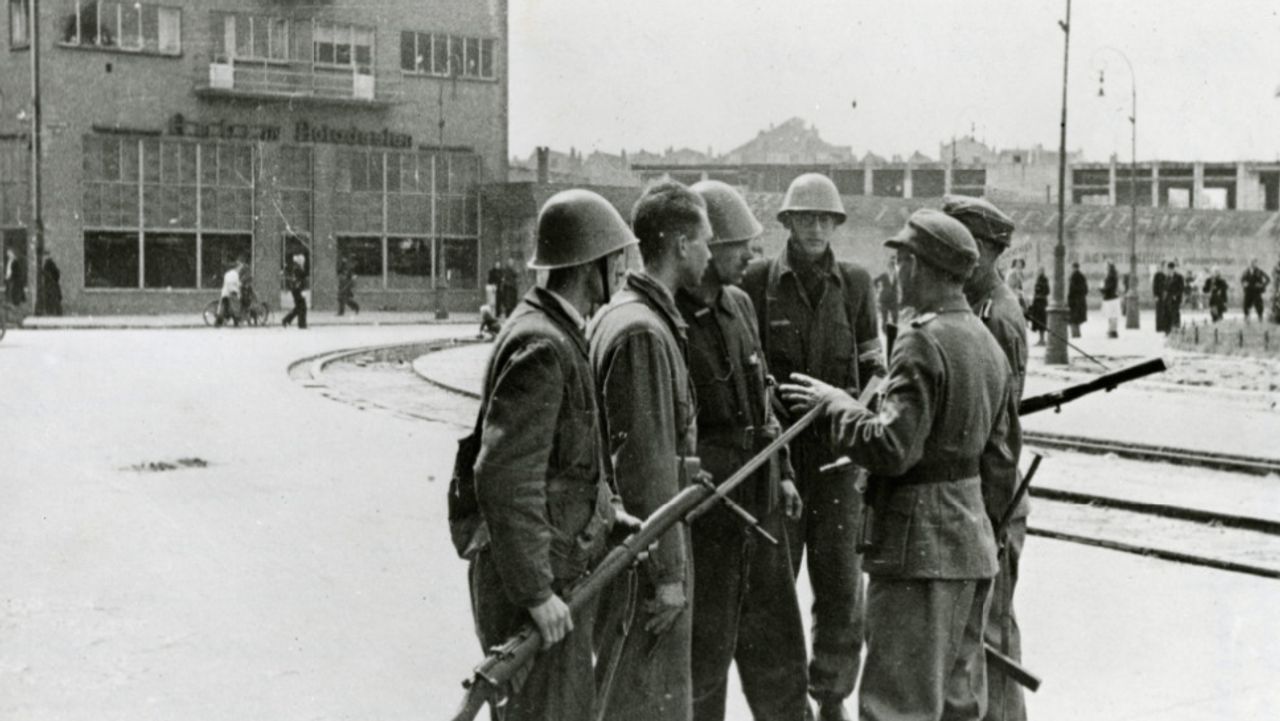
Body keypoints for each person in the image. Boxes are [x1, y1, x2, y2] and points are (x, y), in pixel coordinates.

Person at [780, 208, 1010, 721]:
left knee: (897, 707)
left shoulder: (922, 339)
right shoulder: (985, 341)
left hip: (916, 550)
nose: (896, 272)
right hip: (970, 548)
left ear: (923, 267)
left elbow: (891, 447)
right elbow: (1001, 456)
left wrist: (835, 405)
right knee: (957, 705)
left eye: (902, 260)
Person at [463, 189, 635, 721]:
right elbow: (503, 475)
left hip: (557, 574)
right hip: (539, 588)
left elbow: (568, 468)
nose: (622, 273)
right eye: (617, 262)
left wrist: (609, 518)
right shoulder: (543, 345)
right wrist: (536, 594)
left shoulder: (556, 332)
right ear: (592, 266)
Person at [741, 172, 885, 721]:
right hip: (781, 459)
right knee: (776, 588)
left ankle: (832, 695)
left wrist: (850, 404)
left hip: (839, 458)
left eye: (826, 219)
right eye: (807, 218)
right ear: (788, 223)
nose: (817, 228)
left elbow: (875, 368)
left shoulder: (855, 284)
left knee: (841, 586)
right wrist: (772, 402)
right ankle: (784, 704)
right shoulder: (756, 283)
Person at [681, 180, 808, 721]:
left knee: (780, 658)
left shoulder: (738, 305)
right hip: (710, 520)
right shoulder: (672, 319)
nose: (753, 253)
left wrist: (781, 472)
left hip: (761, 510)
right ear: (707, 246)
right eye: (740, 244)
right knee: (704, 666)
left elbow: (763, 403)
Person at [589, 181, 710, 721]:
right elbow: (647, 468)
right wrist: (669, 576)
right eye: (704, 241)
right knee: (648, 703)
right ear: (681, 245)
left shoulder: (629, 314)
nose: (709, 252)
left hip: (627, 553)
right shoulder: (643, 331)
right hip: (645, 562)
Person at [943, 196, 1028, 721]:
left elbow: (1001, 431)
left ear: (990, 252)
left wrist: (993, 513)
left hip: (993, 496)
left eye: (966, 248)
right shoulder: (976, 307)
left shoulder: (997, 316)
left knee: (992, 636)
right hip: (983, 494)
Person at [281, 253, 309, 329]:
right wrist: (301, 289)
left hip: (297, 290)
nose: (303, 262)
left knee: (299, 308)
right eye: (303, 261)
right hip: (298, 290)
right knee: (302, 307)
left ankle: (286, 320)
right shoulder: (298, 269)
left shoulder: (296, 268)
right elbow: (298, 280)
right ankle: (301, 324)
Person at [874, 255, 900, 331]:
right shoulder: (884, 275)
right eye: (891, 264)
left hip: (893, 299)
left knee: (895, 318)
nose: (892, 266)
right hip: (884, 299)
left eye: (894, 264)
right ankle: (885, 334)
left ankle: (893, 334)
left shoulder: (897, 276)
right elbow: (875, 281)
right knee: (884, 319)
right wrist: (877, 290)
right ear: (889, 265)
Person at [216, 260, 242, 327]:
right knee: (235, 307)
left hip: (225, 292)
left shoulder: (227, 274)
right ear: (236, 268)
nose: (240, 270)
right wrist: (239, 286)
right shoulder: (235, 274)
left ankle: (218, 322)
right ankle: (236, 323)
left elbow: (226, 283)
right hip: (232, 292)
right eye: (239, 268)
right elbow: (235, 283)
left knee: (223, 307)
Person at [1067, 262, 1088, 338]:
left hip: (1074, 300)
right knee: (1078, 318)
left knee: (1073, 318)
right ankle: (1078, 333)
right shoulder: (1082, 277)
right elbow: (1086, 290)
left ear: (1073, 268)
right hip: (1081, 300)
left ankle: (1074, 333)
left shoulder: (1073, 277)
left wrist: (1069, 299)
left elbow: (1071, 290)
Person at [1028, 267, 1049, 346]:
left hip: (1041, 303)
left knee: (1041, 322)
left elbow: (1047, 291)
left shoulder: (1044, 280)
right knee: (1039, 322)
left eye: (1040, 271)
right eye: (1039, 271)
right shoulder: (1038, 279)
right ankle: (1040, 339)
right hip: (1037, 303)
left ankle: (1042, 339)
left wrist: (1039, 293)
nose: (1039, 272)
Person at [1163, 261, 1185, 332]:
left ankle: (1176, 328)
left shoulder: (1179, 277)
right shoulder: (1167, 277)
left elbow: (1181, 288)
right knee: (1167, 314)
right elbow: (1165, 287)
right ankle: (1168, 330)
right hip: (1168, 298)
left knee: (1175, 313)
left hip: (1175, 298)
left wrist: (1176, 295)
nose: (1169, 270)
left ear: (1173, 269)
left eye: (1170, 269)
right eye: (1168, 269)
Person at [1101, 262, 1121, 339]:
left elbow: (1109, 287)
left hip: (1110, 298)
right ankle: (1112, 330)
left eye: (1106, 266)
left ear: (1109, 267)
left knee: (1112, 315)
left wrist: (1102, 289)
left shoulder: (1110, 276)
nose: (1105, 267)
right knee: (1112, 315)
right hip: (1112, 297)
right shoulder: (1113, 275)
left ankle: (1112, 331)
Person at [1153, 262, 1169, 333]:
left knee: (1164, 312)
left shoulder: (1166, 276)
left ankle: (1163, 326)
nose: (1163, 268)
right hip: (1159, 296)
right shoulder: (1157, 275)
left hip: (1165, 296)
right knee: (1159, 312)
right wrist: (1155, 295)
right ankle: (1159, 327)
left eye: (1165, 267)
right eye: (1163, 267)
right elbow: (1154, 286)